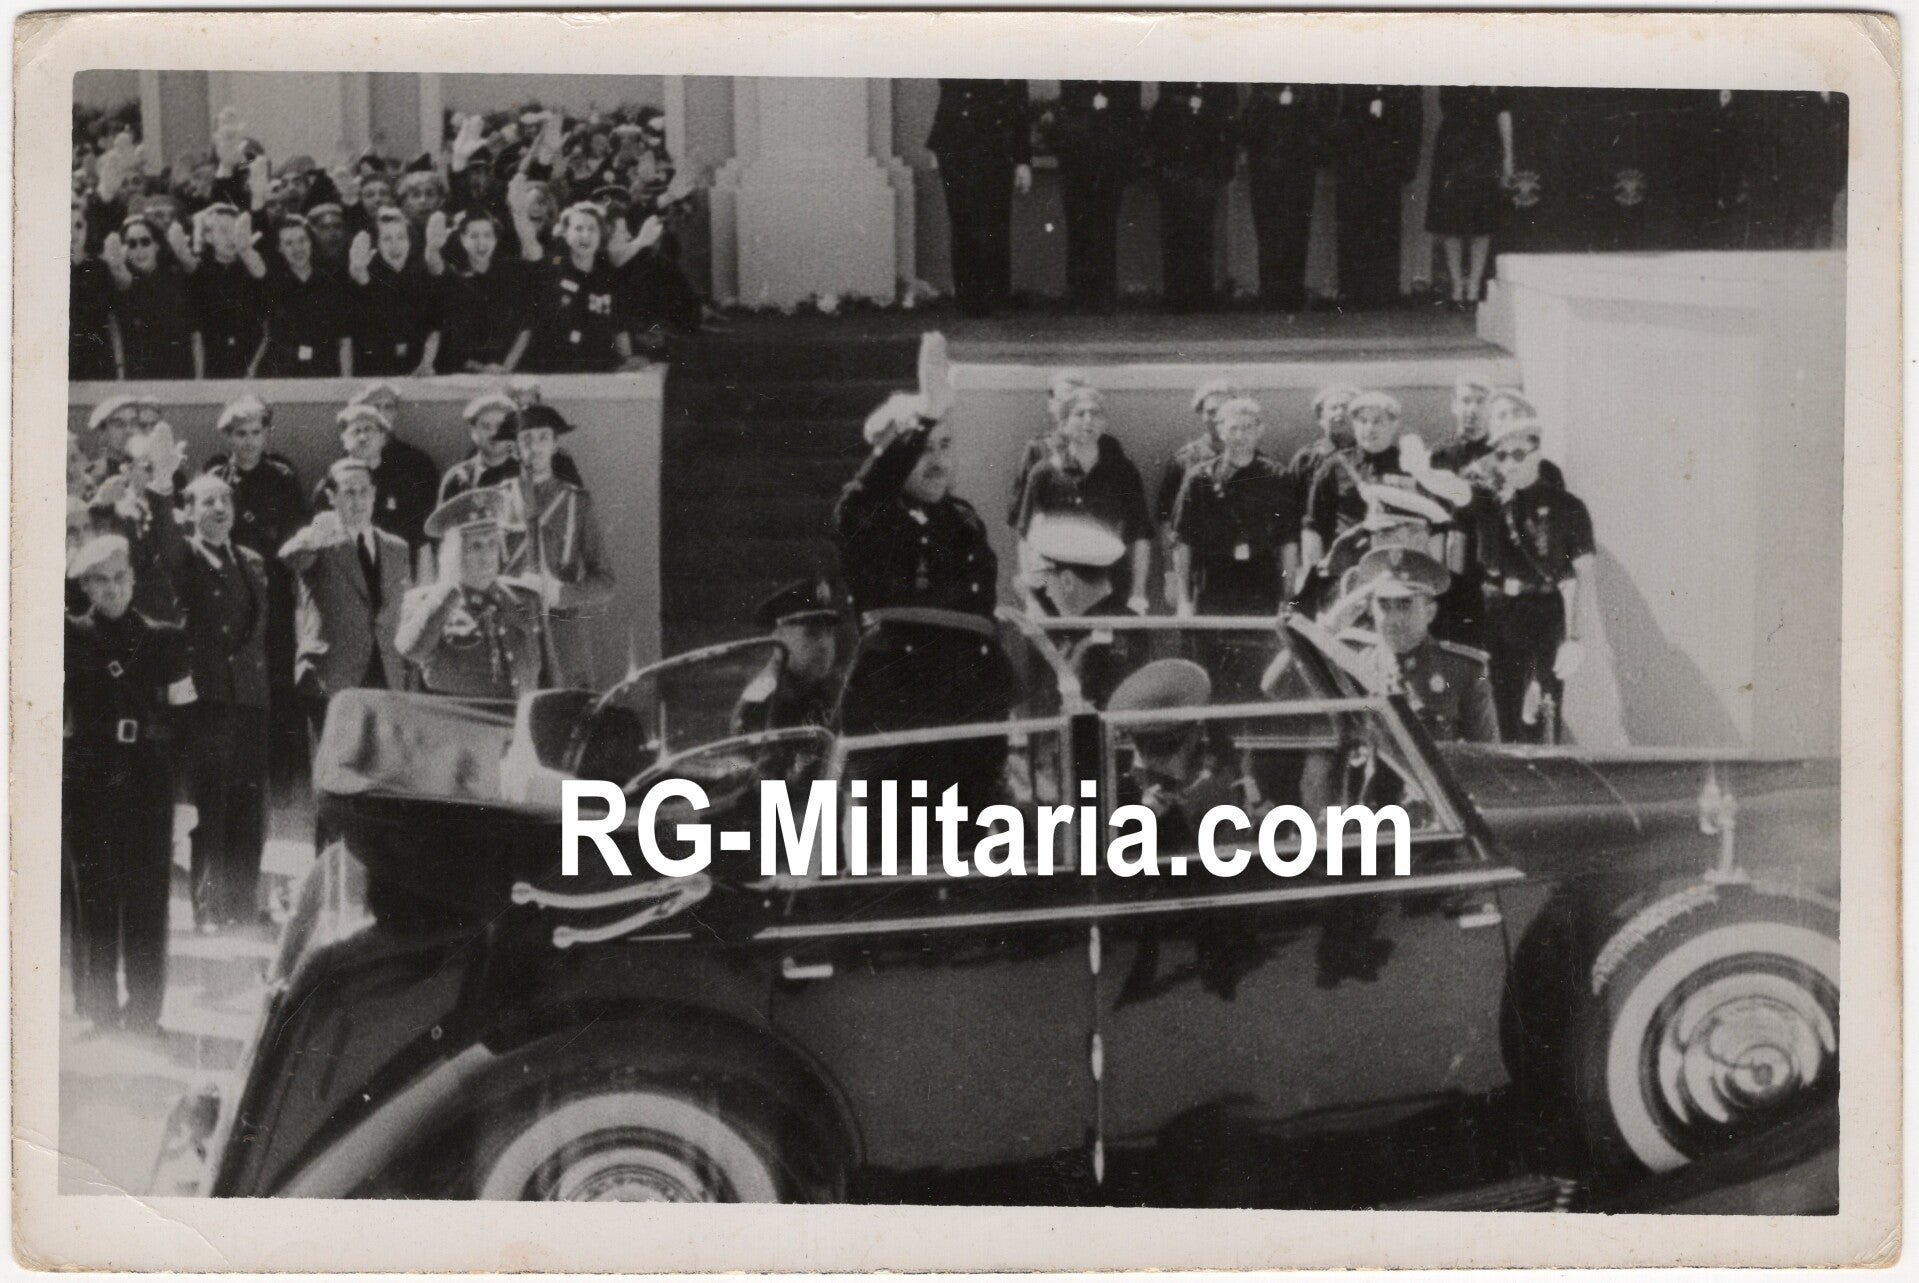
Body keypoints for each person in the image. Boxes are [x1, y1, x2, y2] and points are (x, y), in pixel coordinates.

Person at [831, 336, 1015, 736]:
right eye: (922, 448)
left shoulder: (962, 520)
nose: (938, 462)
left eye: (944, 445)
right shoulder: (869, 514)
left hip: (970, 697)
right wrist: (927, 414)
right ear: (888, 458)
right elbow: (868, 490)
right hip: (899, 699)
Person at [62, 535, 195, 1034]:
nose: (113, 589)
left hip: (147, 775)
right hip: (88, 774)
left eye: (121, 577)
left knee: (146, 896)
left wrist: (186, 795)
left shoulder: (165, 637)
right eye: (100, 580)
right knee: (93, 894)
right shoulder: (70, 635)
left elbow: (186, 717)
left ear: (135, 580)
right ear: (84, 586)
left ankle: (144, 1013)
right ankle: (97, 1010)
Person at [162, 473, 272, 931]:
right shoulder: (181, 558)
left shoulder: (250, 560)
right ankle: (209, 905)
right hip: (206, 698)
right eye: (208, 502)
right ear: (189, 512)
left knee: (250, 804)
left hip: (249, 697)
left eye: (226, 500)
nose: (220, 509)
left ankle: (243, 903)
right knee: (213, 804)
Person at [1460, 419, 1593, 743]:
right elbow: (1454, 491)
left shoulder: (1568, 507)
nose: (1509, 463)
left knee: (1545, 711)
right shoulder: (1491, 502)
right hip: (1500, 613)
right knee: (1503, 711)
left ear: (1536, 453)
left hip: (1546, 615)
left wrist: (1574, 637)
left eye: (1518, 454)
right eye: (1501, 456)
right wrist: (1421, 471)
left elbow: (1578, 577)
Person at [202, 395, 308, 786]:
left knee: (277, 676)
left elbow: (296, 534)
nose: (247, 441)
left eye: (255, 433)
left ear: (266, 435)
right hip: (230, 590)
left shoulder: (282, 477)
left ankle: (279, 768)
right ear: (228, 437)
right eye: (239, 434)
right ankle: (237, 767)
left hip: (274, 592)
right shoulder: (216, 476)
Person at [279, 458, 411, 743]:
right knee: (335, 773)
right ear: (331, 497)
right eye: (349, 492)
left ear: (375, 494)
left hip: (385, 675)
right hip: (332, 676)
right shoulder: (318, 540)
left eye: (365, 491)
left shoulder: (396, 548)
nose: (359, 500)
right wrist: (318, 532)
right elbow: (290, 557)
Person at [496, 404, 615, 687]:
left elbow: (606, 581)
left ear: (555, 445)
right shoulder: (496, 501)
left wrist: (563, 593)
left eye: (543, 437)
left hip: (561, 633)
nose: (535, 447)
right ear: (514, 449)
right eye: (526, 439)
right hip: (512, 631)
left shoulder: (577, 502)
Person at [1300, 390, 1471, 583]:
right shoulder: (1334, 466)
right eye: (1362, 421)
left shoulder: (1412, 467)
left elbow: (1438, 526)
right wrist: (1312, 578)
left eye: (1378, 421)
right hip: (1350, 570)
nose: (1369, 428)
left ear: (1394, 425)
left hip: (1401, 572)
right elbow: (1313, 526)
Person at [1014, 385, 1153, 614]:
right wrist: (1032, 598)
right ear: (1064, 422)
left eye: (1095, 413)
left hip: (1109, 587)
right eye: (1079, 414)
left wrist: (1138, 594)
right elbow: (1025, 536)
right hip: (1057, 589)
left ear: (1104, 423)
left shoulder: (1123, 472)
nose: (1088, 420)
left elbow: (1140, 535)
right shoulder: (1043, 473)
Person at [395, 487, 545, 699]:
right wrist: (449, 589)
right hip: (458, 725)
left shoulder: (524, 598)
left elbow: (546, 674)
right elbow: (412, 650)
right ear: (454, 553)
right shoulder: (426, 601)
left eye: (492, 544)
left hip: (512, 723)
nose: (487, 557)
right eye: (475, 547)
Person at [1343, 546, 1499, 743]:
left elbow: (1487, 757)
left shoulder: (1464, 670)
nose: (1393, 619)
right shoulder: (1354, 660)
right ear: (1371, 610)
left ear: (1429, 613)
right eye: (1383, 605)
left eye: (1405, 605)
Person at [1172, 397, 1299, 619]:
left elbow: (1288, 543)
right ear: (1220, 430)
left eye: (1248, 428)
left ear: (1260, 430)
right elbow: (1183, 543)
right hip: (1212, 585)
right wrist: (1184, 600)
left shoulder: (1277, 477)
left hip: (1262, 585)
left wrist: (1288, 598)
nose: (1240, 436)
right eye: (1233, 428)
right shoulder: (1199, 479)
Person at [927, 80, 1033, 317]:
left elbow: (1019, 108)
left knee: (995, 223)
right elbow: (948, 92)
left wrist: (1023, 159)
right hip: (956, 146)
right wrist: (937, 143)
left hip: (995, 147)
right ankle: (968, 300)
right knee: (963, 222)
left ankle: (996, 299)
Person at [1020, 513, 1137, 708]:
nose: (1047, 592)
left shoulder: (1091, 633)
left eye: (1050, 582)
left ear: (1067, 581)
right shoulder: (1119, 618)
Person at [1049, 81, 1141, 312]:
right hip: (1078, 154)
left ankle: (1104, 293)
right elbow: (1067, 103)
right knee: (1078, 223)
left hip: (1111, 155)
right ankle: (1079, 292)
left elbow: (1131, 109)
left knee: (1106, 224)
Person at [1329, 85, 1425, 307]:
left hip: (1389, 158)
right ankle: (1352, 290)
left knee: (1386, 223)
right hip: (1354, 157)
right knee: (1353, 222)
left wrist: (1408, 162)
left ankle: (1384, 291)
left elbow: (1413, 117)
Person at [1239, 83, 1331, 311]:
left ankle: (1292, 292)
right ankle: (1271, 292)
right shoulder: (1261, 93)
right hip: (1266, 164)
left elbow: (1319, 120)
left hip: (1298, 163)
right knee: (1269, 229)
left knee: (1296, 229)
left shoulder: (1307, 93)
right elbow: (1250, 125)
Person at [1147, 82, 1239, 311]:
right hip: (1176, 164)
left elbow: (1226, 121)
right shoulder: (1172, 90)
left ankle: (1199, 292)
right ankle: (1177, 293)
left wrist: (1223, 164)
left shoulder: (1216, 87)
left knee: (1201, 233)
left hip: (1204, 166)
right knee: (1176, 232)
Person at [311, 402, 438, 559]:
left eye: (369, 429)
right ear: (343, 439)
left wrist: (425, 583)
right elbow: (313, 537)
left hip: (396, 571)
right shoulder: (330, 484)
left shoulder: (402, 483)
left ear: (383, 438)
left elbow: (421, 543)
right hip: (346, 571)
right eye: (355, 431)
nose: (363, 437)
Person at [1426, 88, 1515, 307]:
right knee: (1451, 222)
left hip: (1484, 149)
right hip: (1452, 149)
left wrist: (1508, 158)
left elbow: (1503, 114)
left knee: (1481, 222)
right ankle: (1457, 287)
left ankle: (1474, 287)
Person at [520, 202, 633, 373]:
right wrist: (518, 211)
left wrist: (628, 361)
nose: (585, 235)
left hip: (600, 372)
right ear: (565, 233)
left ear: (601, 234)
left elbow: (619, 328)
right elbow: (533, 250)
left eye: (592, 229)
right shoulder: (555, 264)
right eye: (578, 228)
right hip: (553, 371)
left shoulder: (609, 275)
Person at [732, 578, 842, 735]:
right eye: (811, 634)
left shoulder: (820, 687)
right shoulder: (763, 701)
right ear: (780, 638)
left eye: (829, 632)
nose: (824, 644)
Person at [252, 214, 353, 377]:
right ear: (280, 248)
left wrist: (346, 383)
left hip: (324, 371)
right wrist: (252, 372)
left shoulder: (332, 282)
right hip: (281, 373)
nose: (297, 248)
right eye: (289, 243)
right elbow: (266, 336)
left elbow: (344, 340)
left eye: (302, 240)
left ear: (311, 242)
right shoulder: (272, 285)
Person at [435, 210, 533, 374]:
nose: (482, 243)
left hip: (510, 371)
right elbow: (450, 342)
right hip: (466, 376)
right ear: (462, 239)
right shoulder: (454, 280)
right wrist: (482, 369)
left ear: (495, 238)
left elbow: (526, 328)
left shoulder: (513, 274)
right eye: (474, 236)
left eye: (488, 235)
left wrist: (506, 368)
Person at [347, 210, 442, 376]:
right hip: (374, 371)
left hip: (418, 370)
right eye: (387, 239)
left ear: (410, 241)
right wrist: (359, 272)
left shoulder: (421, 275)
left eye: (401, 237)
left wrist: (426, 364)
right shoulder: (367, 276)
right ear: (377, 245)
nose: (395, 244)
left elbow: (434, 327)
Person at [101, 214, 196, 379]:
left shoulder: (176, 279)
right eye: (131, 244)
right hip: (138, 376)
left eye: (145, 241)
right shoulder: (120, 286)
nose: (139, 249)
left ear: (157, 245)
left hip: (178, 374)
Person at [1156, 377, 1246, 537]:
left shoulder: (1253, 459)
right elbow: (1166, 519)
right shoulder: (1184, 460)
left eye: (1226, 410)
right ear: (1200, 413)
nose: (1219, 418)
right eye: (1211, 412)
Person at [185, 203, 267, 378]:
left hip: (250, 365)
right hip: (212, 365)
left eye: (236, 231)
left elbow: (266, 330)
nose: (231, 238)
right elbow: (196, 332)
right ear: (208, 236)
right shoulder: (199, 272)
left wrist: (253, 369)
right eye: (224, 231)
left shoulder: (251, 267)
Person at [1007, 369, 1093, 532]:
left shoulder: (1107, 448)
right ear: (1051, 404)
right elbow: (1021, 519)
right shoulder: (1038, 449)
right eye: (1063, 401)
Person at [1287, 381, 1361, 504]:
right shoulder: (1306, 458)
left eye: (1345, 407)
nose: (1340, 413)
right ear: (1321, 418)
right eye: (1333, 408)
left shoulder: (1371, 455)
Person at [71, 201, 118, 381]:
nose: (73, 233)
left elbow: (112, 319)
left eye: (78, 226)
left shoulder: (100, 268)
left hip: (97, 359)